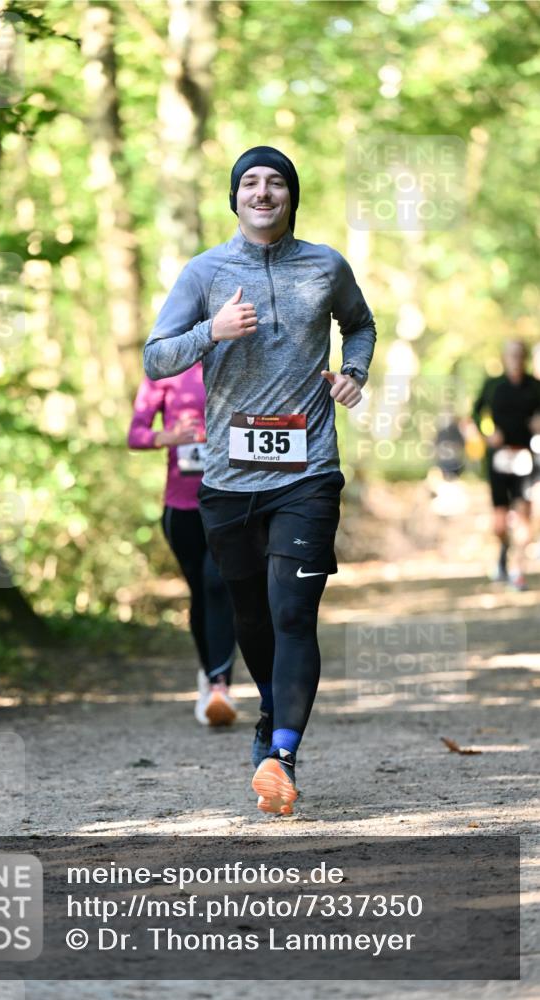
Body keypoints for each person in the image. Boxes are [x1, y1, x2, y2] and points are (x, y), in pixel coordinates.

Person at [143, 146, 376, 815]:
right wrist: (209, 332)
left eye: (276, 182)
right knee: (249, 615)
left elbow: (358, 326)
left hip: (307, 471)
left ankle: (280, 752)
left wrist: (352, 373)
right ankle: (271, 709)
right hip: (227, 476)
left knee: (292, 612)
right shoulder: (204, 272)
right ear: (234, 197)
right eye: (250, 182)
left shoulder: (325, 265)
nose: (263, 191)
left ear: (291, 196)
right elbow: (156, 358)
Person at [128, 364, 238, 726]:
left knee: (216, 582)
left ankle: (220, 684)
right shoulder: (165, 370)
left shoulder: (237, 358)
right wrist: (168, 436)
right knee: (200, 592)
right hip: (182, 509)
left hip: (229, 503)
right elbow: (136, 434)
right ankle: (209, 676)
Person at [472, 340, 540, 590]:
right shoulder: (493, 386)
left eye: (520, 355)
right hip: (499, 458)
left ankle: (517, 571)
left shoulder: (535, 387)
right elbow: (476, 412)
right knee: (500, 523)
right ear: (504, 357)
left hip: (525, 457)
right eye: (511, 355)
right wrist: (487, 434)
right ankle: (503, 548)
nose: (516, 359)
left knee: (524, 515)